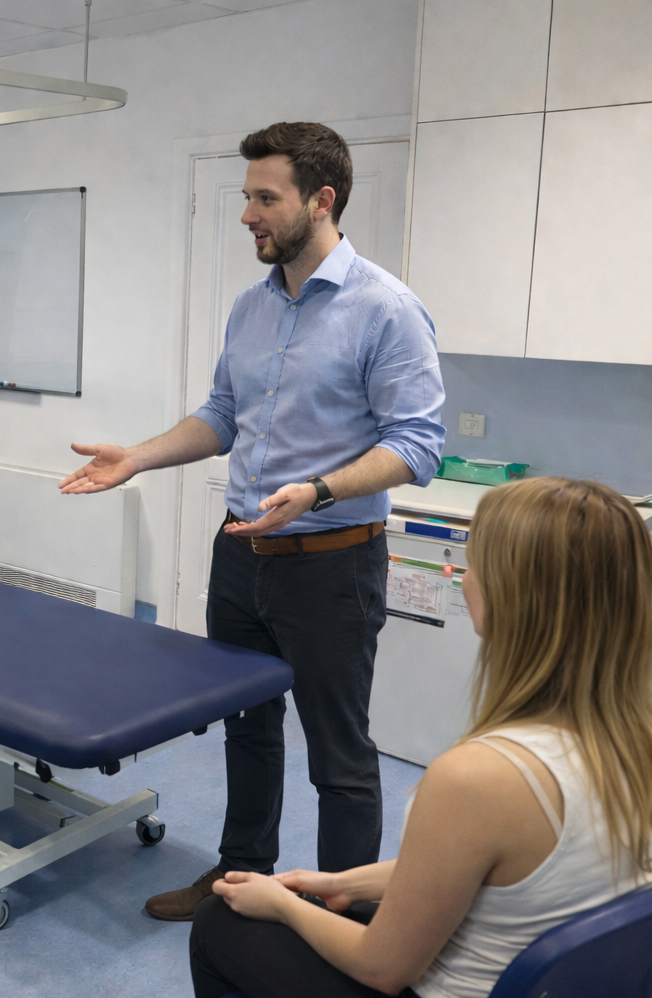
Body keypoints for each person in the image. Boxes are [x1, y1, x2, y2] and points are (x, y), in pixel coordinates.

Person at [61, 121, 445, 921]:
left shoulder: (386, 309)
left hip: (332, 561)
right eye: (245, 199)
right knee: (246, 723)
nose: (248, 216)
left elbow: (417, 446)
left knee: (339, 755)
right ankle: (241, 882)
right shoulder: (251, 307)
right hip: (241, 556)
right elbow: (223, 416)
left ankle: (345, 916)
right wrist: (138, 456)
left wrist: (322, 489)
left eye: (265, 199)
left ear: (322, 200)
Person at [189, 477, 652, 998]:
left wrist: (286, 908)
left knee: (221, 921)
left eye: (474, 562)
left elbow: (383, 967)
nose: (467, 578)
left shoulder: (480, 777)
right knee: (338, 905)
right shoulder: (628, 736)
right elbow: (490, 869)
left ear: (510, 596)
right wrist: (338, 882)